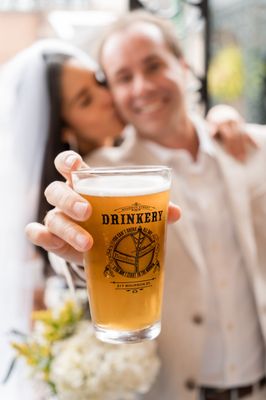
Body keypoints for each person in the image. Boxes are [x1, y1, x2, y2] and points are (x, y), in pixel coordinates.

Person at [26, 11, 266, 400]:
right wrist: (72, 253)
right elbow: (76, 244)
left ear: (184, 66)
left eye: (154, 65)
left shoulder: (254, 147)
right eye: (123, 77)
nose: (142, 87)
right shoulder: (100, 178)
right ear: (115, 95)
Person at [0, 39, 125, 399]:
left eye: (100, 81)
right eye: (85, 100)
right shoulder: (55, 200)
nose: (108, 96)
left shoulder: (129, 157)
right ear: (64, 128)